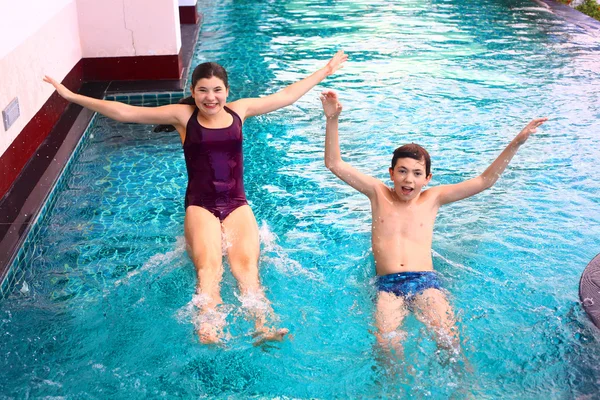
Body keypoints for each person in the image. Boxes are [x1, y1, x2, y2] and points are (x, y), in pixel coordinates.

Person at [43, 50, 347, 345]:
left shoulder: (240, 111)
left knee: (246, 268)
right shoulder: (183, 115)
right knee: (210, 267)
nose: (210, 97)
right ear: (192, 90)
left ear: (228, 91)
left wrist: (326, 70)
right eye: (203, 90)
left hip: (237, 204)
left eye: (217, 90)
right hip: (201, 207)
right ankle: (209, 326)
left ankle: (263, 326)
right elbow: (126, 112)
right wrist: (71, 96)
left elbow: (286, 95)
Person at [319, 90, 547, 357]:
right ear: (391, 173)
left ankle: (465, 391)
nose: (409, 180)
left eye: (417, 173)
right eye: (402, 171)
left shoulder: (433, 199)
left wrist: (516, 143)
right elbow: (334, 163)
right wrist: (332, 119)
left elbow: (485, 181)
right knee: (386, 346)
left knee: (449, 342)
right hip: (387, 286)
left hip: (425, 282)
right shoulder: (377, 192)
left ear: (427, 178)